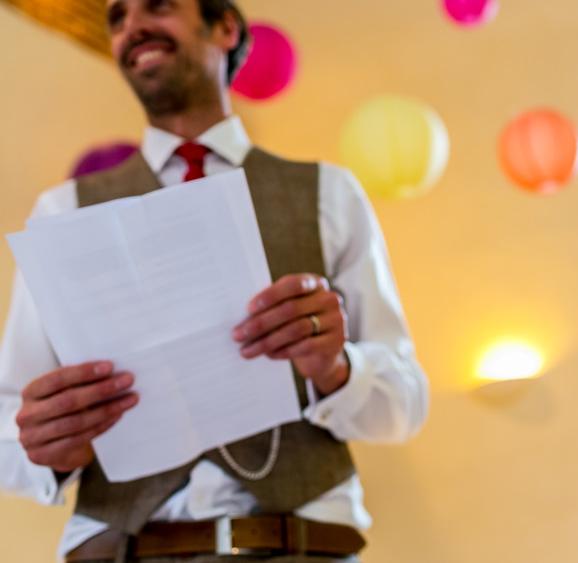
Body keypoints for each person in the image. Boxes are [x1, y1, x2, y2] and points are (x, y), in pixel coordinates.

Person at [0, 0, 427, 561]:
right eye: (117, 17)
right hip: (122, 546)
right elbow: (9, 425)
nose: (132, 28)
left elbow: (406, 405)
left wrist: (336, 367)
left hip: (305, 539)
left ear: (225, 27)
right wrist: (47, 447)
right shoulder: (63, 212)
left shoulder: (329, 194)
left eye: (157, 6)